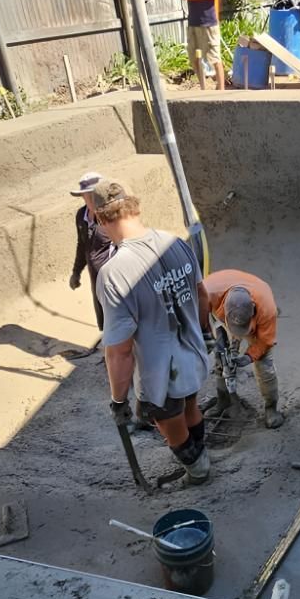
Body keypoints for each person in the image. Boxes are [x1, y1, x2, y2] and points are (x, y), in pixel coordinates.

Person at [93, 180, 211, 484]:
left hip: (160, 373)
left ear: (100, 219)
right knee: (190, 407)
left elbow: (119, 350)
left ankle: (198, 472)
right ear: (135, 208)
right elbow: (201, 296)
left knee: (169, 424)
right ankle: (203, 456)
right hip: (192, 354)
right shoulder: (176, 243)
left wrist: (118, 400)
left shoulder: (114, 272)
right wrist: (205, 335)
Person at [204, 269, 284, 429]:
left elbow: (265, 341)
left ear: (253, 310)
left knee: (264, 364)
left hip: (257, 322)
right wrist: (216, 339)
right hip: (218, 312)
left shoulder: (266, 309)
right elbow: (201, 317)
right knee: (221, 358)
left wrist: (248, 357)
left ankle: (271, 408)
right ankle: (223, 400)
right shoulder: (208, 291)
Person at [69, 172, 113, 331]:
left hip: (114, 280)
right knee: (104, 319)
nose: (87, 199)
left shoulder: (111, 216)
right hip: (96, 280)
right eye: (85, 195)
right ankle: (108, 353)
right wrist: (76, 272)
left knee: (119, 320)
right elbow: (82, 245)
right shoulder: (82, 216)